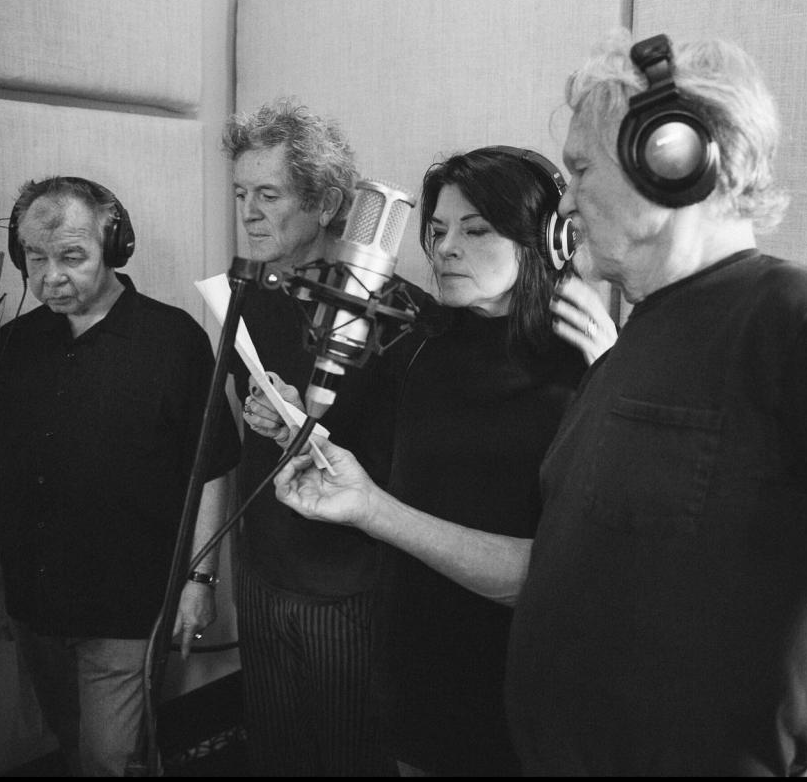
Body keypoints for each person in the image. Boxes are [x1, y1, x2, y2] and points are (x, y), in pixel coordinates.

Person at [271, 31, 807, 776]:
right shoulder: (633, 341)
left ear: (669, 158)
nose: (564, 203)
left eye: (580, 169)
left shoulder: (805, 324)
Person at [245, 145, 615, 775]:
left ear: (549, 242)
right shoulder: (420, 344)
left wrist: (372, 510)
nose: (445, 248)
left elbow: (546, 578)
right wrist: (299, 434)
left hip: (515, 693)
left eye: (476, 231)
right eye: (438, 230)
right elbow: (393, 473)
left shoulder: (585, 370)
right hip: (411, 667)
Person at [0, 176, 240, 776]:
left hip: (129, 602)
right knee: (69, 742)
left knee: (112, 758)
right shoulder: (6, 347)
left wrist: (201, 579)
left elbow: (213, 468)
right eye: (35, 259)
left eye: (71, 257)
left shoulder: (174, 342)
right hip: (34, 597)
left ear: (113, 247)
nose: (50, 278)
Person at [221, 99, 439, 776]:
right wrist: (268, 417)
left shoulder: (404, 317)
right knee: (277, 754)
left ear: (324, 202)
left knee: (349, 758)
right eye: (240, 193)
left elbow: (419, 472)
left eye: (268, 194)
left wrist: (310, 427)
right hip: (261, 570)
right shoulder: (249, 292)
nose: (248, 212)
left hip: (349, 587)